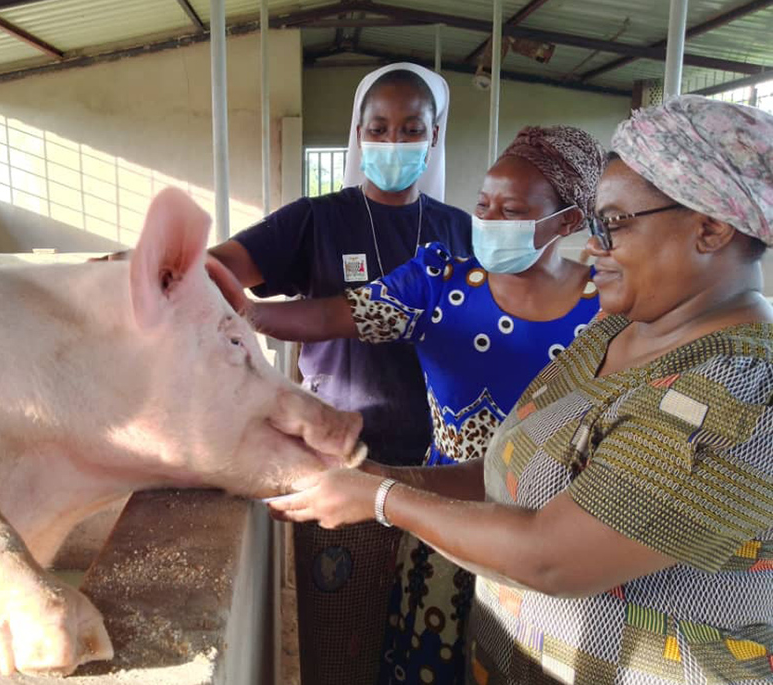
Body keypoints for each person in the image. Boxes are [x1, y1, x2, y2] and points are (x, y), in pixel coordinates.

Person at [262, 95, 773, 685]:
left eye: (612, 225)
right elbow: (512, 473)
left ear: (710, 228)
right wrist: (378, 475)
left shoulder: (740, 391)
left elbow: (553, 557)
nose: (594, 249)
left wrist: (381, 502)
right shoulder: (617, 330)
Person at [213, 125, 607, 684]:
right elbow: (330, 316)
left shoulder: (607, 311)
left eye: (512, 210)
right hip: (441, 515)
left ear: (566, 222)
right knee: (431, 659)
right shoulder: (439, 279)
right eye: (483, 204)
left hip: (552, 523)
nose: (489, 222)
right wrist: (227, 311)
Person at [210, 63, 471, 685]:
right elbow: (221, 271)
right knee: (339, 624)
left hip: (443, 463)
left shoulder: (458, 229)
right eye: (379, 128)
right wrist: (152, 269)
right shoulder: (317, 220)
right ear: (359, 134)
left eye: (412, 129)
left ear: (434, 137)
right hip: (339, 456)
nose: (394, 142)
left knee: (430, 629)